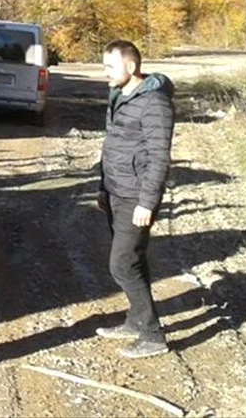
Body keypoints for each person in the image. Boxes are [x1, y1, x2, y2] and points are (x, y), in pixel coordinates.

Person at [95, 39, 174, 359]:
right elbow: (111, 147)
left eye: (110, 66)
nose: (105, 73)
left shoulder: (154, 103)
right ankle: (135, 320)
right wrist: (103, 187)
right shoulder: (120, 94)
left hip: (135, 196)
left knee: (122, 264)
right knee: (134, 260)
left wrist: (147, 202)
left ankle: (154, 335)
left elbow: (159, 158)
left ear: (131, 66)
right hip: (116, 190)